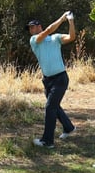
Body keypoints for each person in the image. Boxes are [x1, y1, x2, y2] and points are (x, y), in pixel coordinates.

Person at [27, 11, 77, 148]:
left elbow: (72, 37)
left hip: (60, 78)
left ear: (39, 26)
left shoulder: (55, 38)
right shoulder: (34, 40)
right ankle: (69, 128)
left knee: (50, 107)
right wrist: (62, 19)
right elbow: (48, 30)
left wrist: (70, 21)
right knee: (54, 106)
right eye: (30, 28)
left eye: (33, 27)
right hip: (47, 80)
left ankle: (47, 141)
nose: (31, 29)